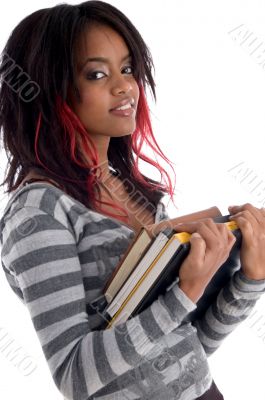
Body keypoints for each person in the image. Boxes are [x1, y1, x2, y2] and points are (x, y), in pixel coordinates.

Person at [0, 1, 265, 399]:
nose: (125, 86)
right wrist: (182, 294)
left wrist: (250, 280)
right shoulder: (38, 213)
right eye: (97, 74)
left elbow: (182, 349)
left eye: (127, 69)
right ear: (48, 89)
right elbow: (74, 376)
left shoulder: (137, 195)